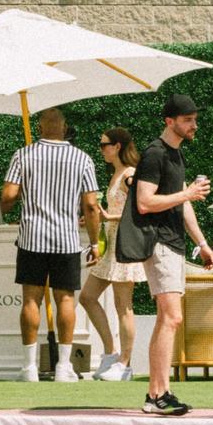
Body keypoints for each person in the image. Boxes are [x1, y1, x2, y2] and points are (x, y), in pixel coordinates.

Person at [119, 92, 213, 415]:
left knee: (166, 318)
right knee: (172, 317)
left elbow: (183, 203)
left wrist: (202, 244)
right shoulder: (154, 155)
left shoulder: (176, 156)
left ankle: (158, 393)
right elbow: (145, 202)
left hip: (173, 243)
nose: (194, 126)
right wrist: (186, 193)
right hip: (157, 242)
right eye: (188, 120)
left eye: (194, 120)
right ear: (169, 121)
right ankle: (158, 394)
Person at [1, 107, 101, 384]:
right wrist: (95, 242)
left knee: (30, 299)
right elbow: (91, 205)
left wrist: (18, 201)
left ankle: (29, 368)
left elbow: (8, 195)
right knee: (66, 299)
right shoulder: (82, 158)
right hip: (66, 239)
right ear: (64, 126)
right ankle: (63, 367)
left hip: (32, 236)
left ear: (41, 127)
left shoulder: (23, 155)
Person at [78, 127, 145, 383]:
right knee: (88, 296)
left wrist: (109, 216)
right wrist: (100, 217)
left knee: (123, 305)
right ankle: (110, 353)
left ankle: (124, 363)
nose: (101, 148)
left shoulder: (130, 174)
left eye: (104, 144)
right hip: (114, 244)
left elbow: (142, 209)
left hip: (125, 245)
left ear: (116, 146)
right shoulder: (118, 173)